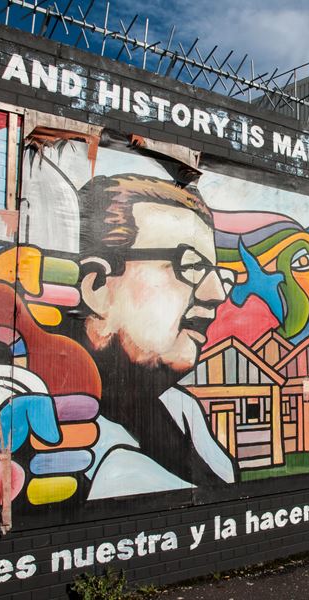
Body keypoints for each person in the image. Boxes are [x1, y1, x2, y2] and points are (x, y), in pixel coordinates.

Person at [72, 173, 237, 499]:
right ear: (98, 288)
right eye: (191, 267)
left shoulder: (183, 410)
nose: (216, 294)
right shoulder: (67, 444)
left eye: (219, 275)